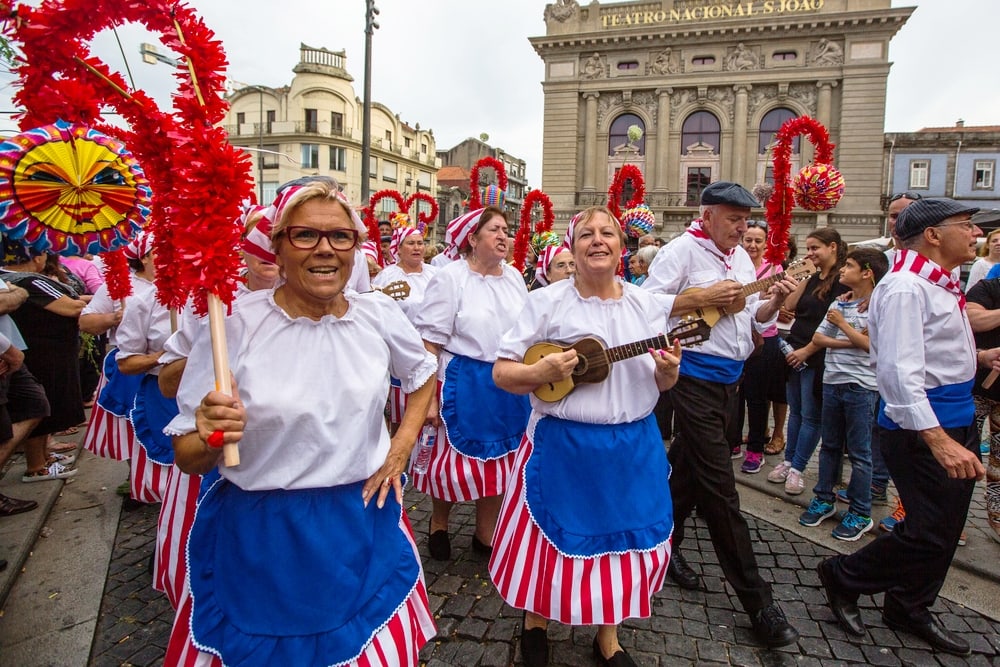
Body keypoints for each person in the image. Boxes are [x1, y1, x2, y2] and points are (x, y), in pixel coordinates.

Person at [165, 179, 438, 666]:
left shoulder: (377, 314)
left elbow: (422, 376)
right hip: (263, 538)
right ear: (278, 247)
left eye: (340, 237)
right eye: (305, 235)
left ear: (356, 248)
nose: (325, 250)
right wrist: (209, 434)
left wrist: (401, 448)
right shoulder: (233, 325)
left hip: (360, 521)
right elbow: (187, 456)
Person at [490, 206, 681, 667]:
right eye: (586, 235)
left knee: (619, 545)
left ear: (622, 246)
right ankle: (536, 620)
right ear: (572, 249)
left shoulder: (648, 305)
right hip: (563, 445)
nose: (598, 241)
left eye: (607, 233)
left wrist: (668, 373)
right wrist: (537, 371)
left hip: (632, 447)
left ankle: (608, 636)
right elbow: (502, 373)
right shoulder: (545, 303)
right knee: (550, 541)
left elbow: (660, 383)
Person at [817, 198, 988, 657]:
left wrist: (979, 358)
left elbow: (931, 352)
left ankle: (909, 605)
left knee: (946, 529)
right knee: (928, 529)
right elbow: (895, 372)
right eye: (966, 225)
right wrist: (939, 442)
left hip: (954, 419)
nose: (974, 234)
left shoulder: (939, 284)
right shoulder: (906, 288)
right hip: (922, 430)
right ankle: (844, 576)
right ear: (932, 235)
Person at [642, 181, 801, 648]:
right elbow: (646, 304)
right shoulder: (680, 252)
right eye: (733, 218)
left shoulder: (744, 260)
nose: (742, 227)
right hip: (691, 379)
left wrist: (773, 300)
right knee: (720, 487)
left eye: (746, 219)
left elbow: (754, 320)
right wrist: (702, 297)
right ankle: (758, 601)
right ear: (707, 215)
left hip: (731, 382)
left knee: (690, 473)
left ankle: (661, 548)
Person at [411, 207, 529, 561]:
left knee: (500, 462)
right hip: (464, 381)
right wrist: (429, 400)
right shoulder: (451, 278)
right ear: (472, 239)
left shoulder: (514, 278)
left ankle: (484, 533)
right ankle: (439, 523)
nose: (503, 236)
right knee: (451, 463)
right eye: (494, 229)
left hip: (507, 382)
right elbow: (429, 341)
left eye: (506, 229)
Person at [799, 248, 888, 540]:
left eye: (848, 266)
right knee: (830, 445)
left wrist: (842, 327)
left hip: (861, 386)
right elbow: (818, 337)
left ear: (867, 272)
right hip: (832, 381)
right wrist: (853, 337)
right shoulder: (840, 301)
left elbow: (873, 346)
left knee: (861, 453)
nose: (842, 271)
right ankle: (824, 497)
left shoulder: (878, 304)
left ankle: (860, 512)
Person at [768, 228, 848, 495]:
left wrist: (808, 351)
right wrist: (803, 274)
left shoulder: (842, 280)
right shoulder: (814, 277)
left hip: (816, 354)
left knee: (812, 416)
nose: (811, 253)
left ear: (833, 247)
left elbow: (834, 324)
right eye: (808, 249)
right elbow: (790, 304)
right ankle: (789, 460)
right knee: (797, 412)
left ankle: (798, 468)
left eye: (816, 248)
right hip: (794, 350)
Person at [1, 238, 84, 482]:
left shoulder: (16, 281)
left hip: (29, 350)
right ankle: (37, 465)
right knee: (38, 406)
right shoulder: (29, 281)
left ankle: (43, 458)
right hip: (39, 353)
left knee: (39, 406)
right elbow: (70, 307)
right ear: (37, 258)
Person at [373, 226, 438, 431]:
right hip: (400, 353)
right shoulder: (386, 277)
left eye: (420, 243)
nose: (417, 247)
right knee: (399, 417)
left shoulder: (436, 275)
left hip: (432, 352)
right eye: (411, 243)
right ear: (398, 249)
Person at [738, 220, 787, 473]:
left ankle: (756, 449)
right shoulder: (734, 264)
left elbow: (779, 303)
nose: (753, 245)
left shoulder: (775, 268)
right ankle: (733, 441)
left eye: (758, 240)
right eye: (748, 239)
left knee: (758, 397)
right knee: (736, 395)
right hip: (736, 336)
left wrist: (775, 298)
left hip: (764, 337)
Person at [964, 271, 1000, 542]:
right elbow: (972, 319)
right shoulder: (987, 288)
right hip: (974, 390)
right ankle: (953, 518)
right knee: (964, 455)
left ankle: (997, 520)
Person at [965, 228, 1000, 293]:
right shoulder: (980, 264)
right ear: (987, 245)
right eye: (994, 241)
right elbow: (970, 291)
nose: (998, 243)